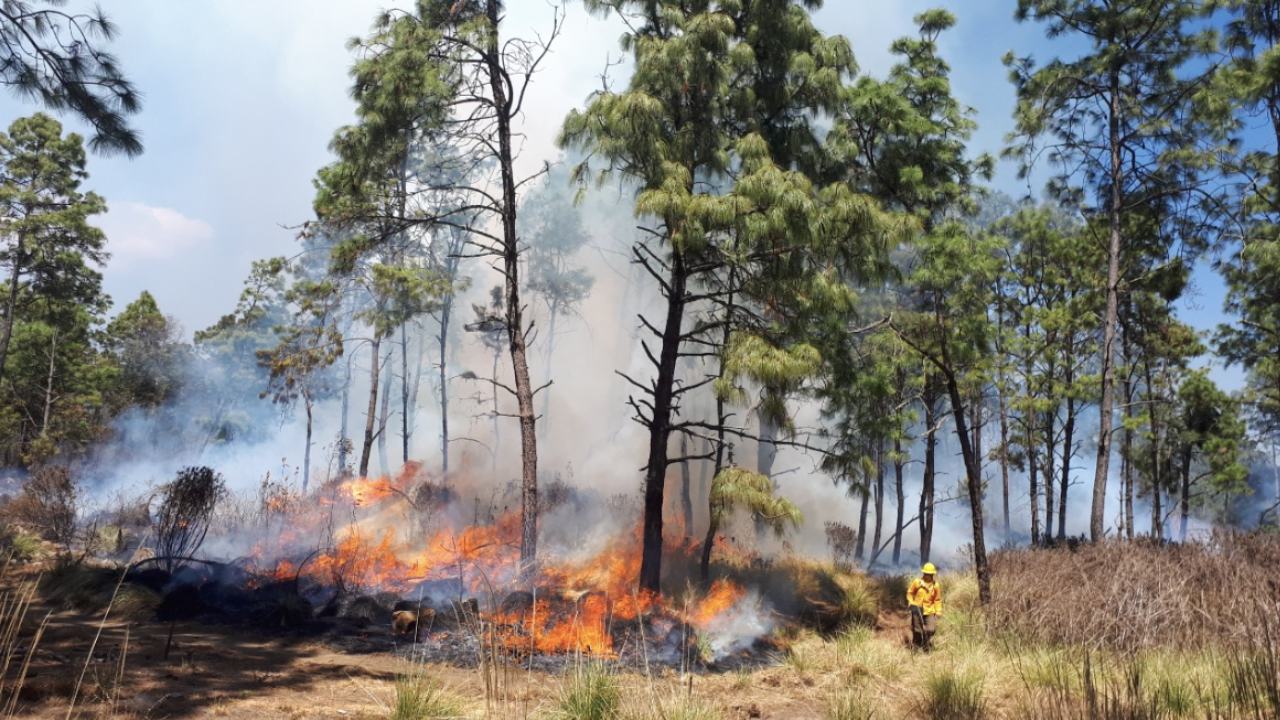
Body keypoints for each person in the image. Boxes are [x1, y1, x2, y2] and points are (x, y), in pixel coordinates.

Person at [907, 562, 942, 649]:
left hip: (929, 611)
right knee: (917, 630)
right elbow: (910, 593)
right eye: (927, 574)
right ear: (923, 573)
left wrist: (938, 611)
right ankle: (916, 646)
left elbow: (937, 600)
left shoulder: (935, 586)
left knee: (931, 629)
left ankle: (925, 642)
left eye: (930, 574)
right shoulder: (917, 583)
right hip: (917, 609)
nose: (928, 576)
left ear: (933, 574)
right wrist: (911, 602)